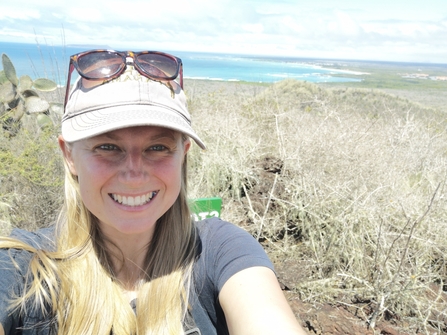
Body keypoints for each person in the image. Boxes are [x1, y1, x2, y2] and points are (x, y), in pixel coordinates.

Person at [0, 50, 307, 335]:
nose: (134, 174)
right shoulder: (22, 267)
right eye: (107, 147)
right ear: (69, 155)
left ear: (183, 154)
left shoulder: (220, 251)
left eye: (157, 147)